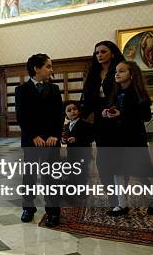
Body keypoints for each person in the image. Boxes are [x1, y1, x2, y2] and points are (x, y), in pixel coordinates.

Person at [102, 61, 153, 216]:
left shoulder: (138, 93)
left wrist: (122, 114)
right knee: (117, 171)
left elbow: (145, 116)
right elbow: (115, 110)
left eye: (121, 71)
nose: (117, 74)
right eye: (116, 71)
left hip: (134, 138)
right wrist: (107, 113)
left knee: (140, 173)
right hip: (117, 138)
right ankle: (122, 205)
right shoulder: (115, 92)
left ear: (132, 74)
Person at [15, 54, 64, 227]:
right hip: (31, 140)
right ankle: (28, 208)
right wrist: (33, 136)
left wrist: (54, 135)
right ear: (36, 68)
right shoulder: (21, 90)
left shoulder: (55, 89)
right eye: (48, 66)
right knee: (29, 175)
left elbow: (59, 115)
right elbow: (22, 116)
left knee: (51, 177)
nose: (52, 70)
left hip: (51, 140)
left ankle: (53, 211)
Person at [80, 41, 125, 209]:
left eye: (103, 51)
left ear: (112, 53)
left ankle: (121, 199)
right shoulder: (94, 72)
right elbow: (87, 99)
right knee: (102, 161)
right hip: (100, 121)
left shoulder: (120, 70)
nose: (99, 55)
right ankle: (113, 198)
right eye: (96, 52)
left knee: (118, 161)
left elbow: (125, 94)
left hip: (117, 121)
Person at [62, 100, 94, 205]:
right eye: (69, 110)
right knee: (73, 172)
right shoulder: (67, 126)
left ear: (79, 111)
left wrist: (77, 139)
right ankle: (73, 192)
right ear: (66, 114)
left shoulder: (85, 124)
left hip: (83, 153)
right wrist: (64, 140)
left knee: (82, 173)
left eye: (75, 109)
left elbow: (90, 137)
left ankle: (81, 192)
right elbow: (66, 137)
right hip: (72, 154)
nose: (72, 112)